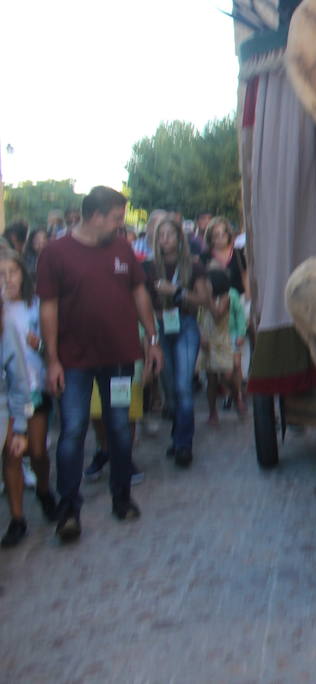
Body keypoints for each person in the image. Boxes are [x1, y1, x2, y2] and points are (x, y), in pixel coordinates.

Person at [37, 186, 163, 541]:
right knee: (74, 431)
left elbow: (139, 293)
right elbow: (48, 307)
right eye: (115, 218)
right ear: (94, 217)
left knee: (120, 427)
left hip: (120, 360)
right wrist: (52, 360)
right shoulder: (55, 254)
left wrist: (152, 340)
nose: (120, 225)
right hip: (74, 363)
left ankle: (122, 498)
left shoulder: (122, 249)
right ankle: (68, 511)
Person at [2, 249, 57, 547]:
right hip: (4, 395)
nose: (7, 279)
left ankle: (45, 491)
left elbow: (51, 348)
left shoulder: (33, 306)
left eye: (12, 271)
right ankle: (17, 518)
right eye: (1, 273)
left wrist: (40, 346)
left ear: (23, 274)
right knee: (11, 454)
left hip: (33, 388)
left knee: (36, 452)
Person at [149, 216, 207, 467]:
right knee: (170, 388)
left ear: (179, 238)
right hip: (161, 326)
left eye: (170, 234)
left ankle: (184, 444)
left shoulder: (193, 266)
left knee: (183, 386)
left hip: (185, 325)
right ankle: (177, 436)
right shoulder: (149, 269)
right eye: (160, 235)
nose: (165, 239)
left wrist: (177, 292)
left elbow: (204, 299)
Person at [198, 270, 247, 422]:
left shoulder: (226, 297)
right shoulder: (203, 300)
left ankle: (236, 396)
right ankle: (212, 412)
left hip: (224, 342)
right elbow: (199, 320)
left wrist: (241, 333)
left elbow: (218, 315)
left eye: (207, 283)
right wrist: (201, 337)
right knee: (211, 380)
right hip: (209, 343)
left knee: (227, 375)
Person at [200, 216, 247, 295]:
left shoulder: (240, 254)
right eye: (216, 234)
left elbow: (246, 278)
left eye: (224, 233)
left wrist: (247, 300)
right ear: (210, 237)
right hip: (215, 303)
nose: (221, 237)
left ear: (228, 234)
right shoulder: (204, 257)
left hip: (239, 302)